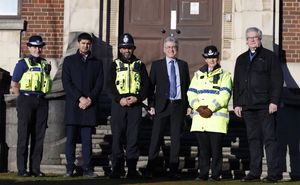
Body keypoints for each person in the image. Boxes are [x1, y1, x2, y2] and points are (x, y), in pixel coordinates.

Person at [233, 27, 283, 183]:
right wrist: (237, 104)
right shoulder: (241, 59)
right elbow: (238, 84)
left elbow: (277, 80)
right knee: (253, 139)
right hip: (248, 107)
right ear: (246, 40)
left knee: (270, 139)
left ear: (260, 39)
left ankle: (274, 174)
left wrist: (274, 101)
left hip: (265, 106)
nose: (252, 40)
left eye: (255, 37)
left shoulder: (270, 57)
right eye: (249, 38)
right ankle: (254, 172)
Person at [144, 36, 190, 180]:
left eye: (174, 47)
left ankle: (174, 170)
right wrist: (150, 105)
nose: (171, 49)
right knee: (156, 138)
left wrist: (188, 105)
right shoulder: (157, 65)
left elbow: (186, 86)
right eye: (168, 47)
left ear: (177, 49)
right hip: (161, 107)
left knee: (176, 139)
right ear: (164, 49)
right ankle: (150, 169)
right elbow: (151, 88)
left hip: (178, 106)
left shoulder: (183, 65)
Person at [187, 45, 232, 181]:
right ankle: (203, 174)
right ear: (205, 59)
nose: (211, 60)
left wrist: (210, 109)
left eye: (214, 57)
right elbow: (191, 93)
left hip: (216, 120)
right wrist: (198, 107)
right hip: (200, 119)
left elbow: (224, 95)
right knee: (203, 150)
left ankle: (216, 175)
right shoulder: (198, 74)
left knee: (216, 150)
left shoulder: (225, 74)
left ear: (217, 58)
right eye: (209, 57)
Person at [62, 32, 103, 178]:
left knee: (87, 141)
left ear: (90, 45)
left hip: (89, 107)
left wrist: (90, 99)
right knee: (71, 140)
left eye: (88, 43)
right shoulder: (69, 61)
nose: (85, 46)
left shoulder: (97, 63)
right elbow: (67, 83)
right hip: (74, 106)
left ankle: (88, 169)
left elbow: (99, 84)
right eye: (83, 43)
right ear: (78, 44)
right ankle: (70, 168)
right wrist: (80, 98)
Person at [107, 33, 149, 179]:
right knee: (117, 138)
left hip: (135, 106)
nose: (127, 51)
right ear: (120, 49)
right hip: (119, 106)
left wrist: (137, 98)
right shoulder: (114, 65)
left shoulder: (140, 65)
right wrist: (120, 99)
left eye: (129, 48)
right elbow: (109, 86)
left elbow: (146, 86)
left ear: (133, 49)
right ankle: (117, 169)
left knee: (133, 138)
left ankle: (131, 169)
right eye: (124, 48)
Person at [11, 35, 52, 177]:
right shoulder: (23, 64)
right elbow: (14, 85)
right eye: (34, 46)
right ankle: (22, 169)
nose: (37, 49)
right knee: (24, 136)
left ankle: (35, 168)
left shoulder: (45, 64)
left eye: (40, 47)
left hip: (41, 101)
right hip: (26, 100)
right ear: (29, 47)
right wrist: (21, 100)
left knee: (39, 137)